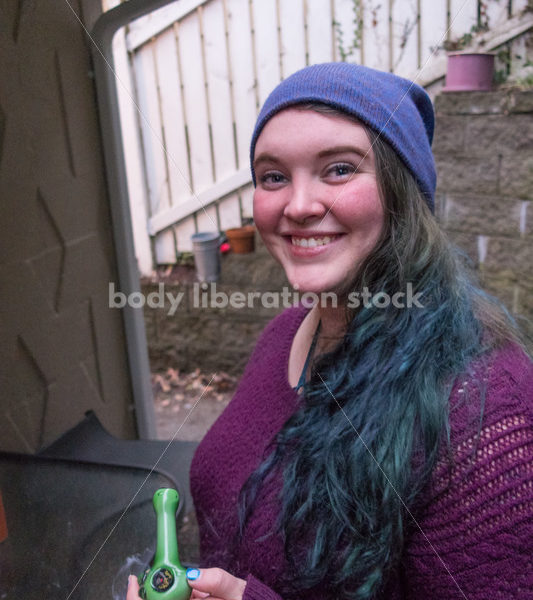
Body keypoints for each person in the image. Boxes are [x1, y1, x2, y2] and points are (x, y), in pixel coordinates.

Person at [128, 62, 533, 600]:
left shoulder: (482, 404)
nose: (298, 206)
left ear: (401, 190)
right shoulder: (284, 335)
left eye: (339, 169)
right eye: (273, 176)